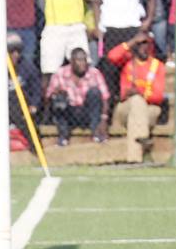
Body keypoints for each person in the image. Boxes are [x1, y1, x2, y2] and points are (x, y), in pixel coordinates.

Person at [105, 31, 167, 164]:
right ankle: (142, 144)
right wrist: (132, 41)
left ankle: (134, 158)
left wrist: (139, 93)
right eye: (140, 44)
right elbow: (112, 56)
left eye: (146, 44)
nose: (144, 47)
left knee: (138, 104)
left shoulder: (157, 66)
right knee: (136, 103)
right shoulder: (127, 62)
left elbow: (158, 95)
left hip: (150, 109)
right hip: (125, 108)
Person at [43, 46, 108, 147]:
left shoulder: (94, 73)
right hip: (69, 112)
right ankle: (63, 136)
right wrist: (55, 93)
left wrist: (104, 119)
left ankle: (96, 134)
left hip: (87, 112)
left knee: (94, 92)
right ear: (71, 62)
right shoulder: (60, 73)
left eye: (84, 60)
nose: (83, 63)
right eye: (79, 60)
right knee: (59, 97)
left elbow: (105, 98)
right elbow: (47, 97)